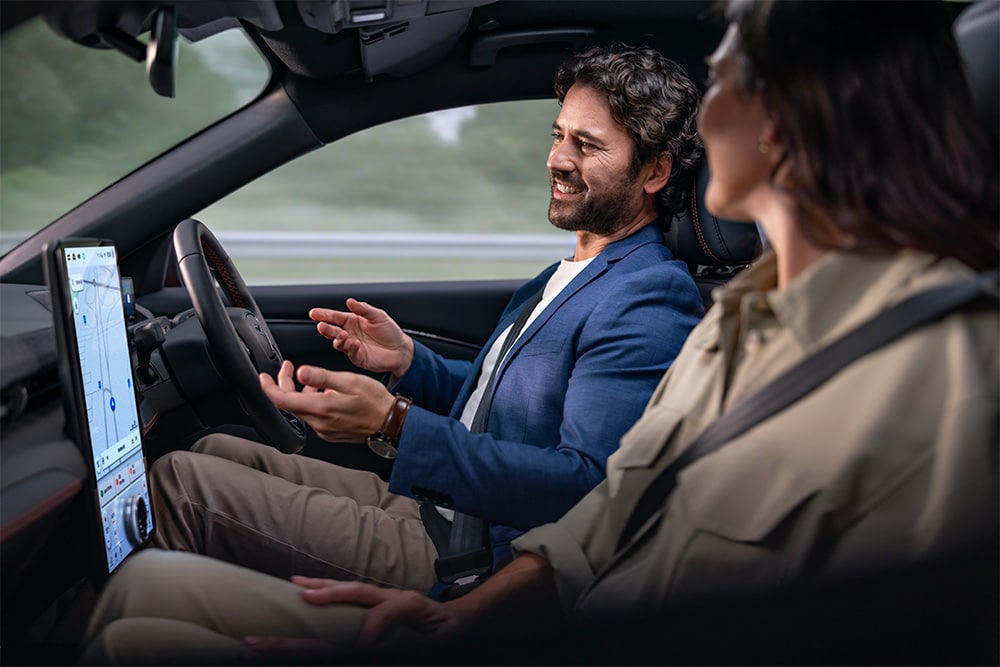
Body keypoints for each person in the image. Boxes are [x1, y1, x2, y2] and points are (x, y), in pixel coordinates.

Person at [81, 1, 998, 664]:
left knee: (142, 609)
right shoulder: (746, 324)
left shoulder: (938, 373)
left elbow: (884, 618)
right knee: (138, 592)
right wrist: (469, 607)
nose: (713, 104)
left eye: (729, 80)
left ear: (795, 122)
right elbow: (608, 513)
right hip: (510, 597)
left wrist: (397, 426)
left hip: (492, 561)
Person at [144, 44, 705, 597]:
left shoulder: (649, 298)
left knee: (179, 487)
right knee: (216, 450)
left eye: (587, 145)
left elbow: (585, 490)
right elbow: (505, 407)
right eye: (559, 135)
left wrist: (394, 422)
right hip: (444, 510)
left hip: (475, 554)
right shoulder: (574, 272)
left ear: (654, 171)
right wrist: (410, 363)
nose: (558, 159)